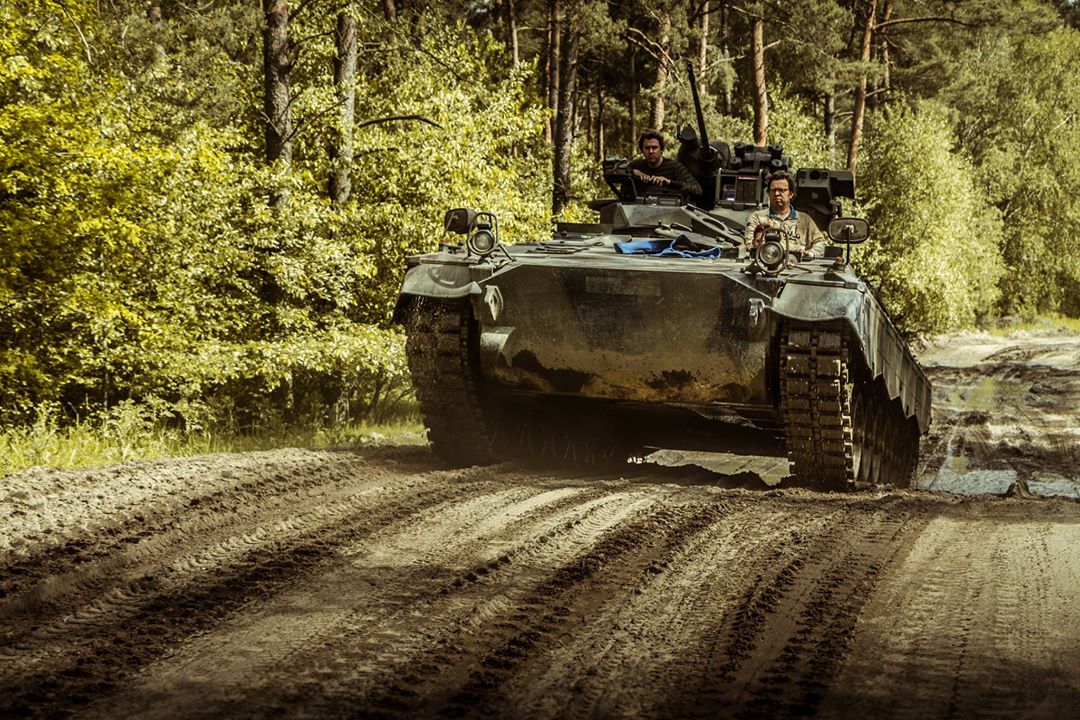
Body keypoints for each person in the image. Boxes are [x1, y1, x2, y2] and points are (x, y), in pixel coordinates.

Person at [744, 170, 828, 257]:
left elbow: (821, 243)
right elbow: (750, 245)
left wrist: (811, 253)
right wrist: (794, 249)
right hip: (765, 265)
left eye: (781, 190)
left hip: (796, 267)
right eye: (773, 190)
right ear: (768, 193)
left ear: (791, 194)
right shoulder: (758, 217)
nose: (776, 194)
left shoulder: (804, 220)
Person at [628, 130, 702, 198]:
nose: (651, 151)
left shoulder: (675, 167)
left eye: (654, 148)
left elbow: (697, 189)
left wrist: (670, 182)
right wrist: (632, 172)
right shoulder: (636, 165)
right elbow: (617, 169)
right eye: (647, 148)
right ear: (642, 150)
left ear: (661, 150)